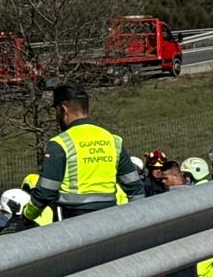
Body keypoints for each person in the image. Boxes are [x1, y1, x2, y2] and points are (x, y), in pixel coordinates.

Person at [23, 84, 145, 223]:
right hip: (111, 218)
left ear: (63, 109)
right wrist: (137, 219)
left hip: (74, 220)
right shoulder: (113, 140)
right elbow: (135, 188)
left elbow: (45, 192)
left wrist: (27, 215)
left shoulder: (59, 144)